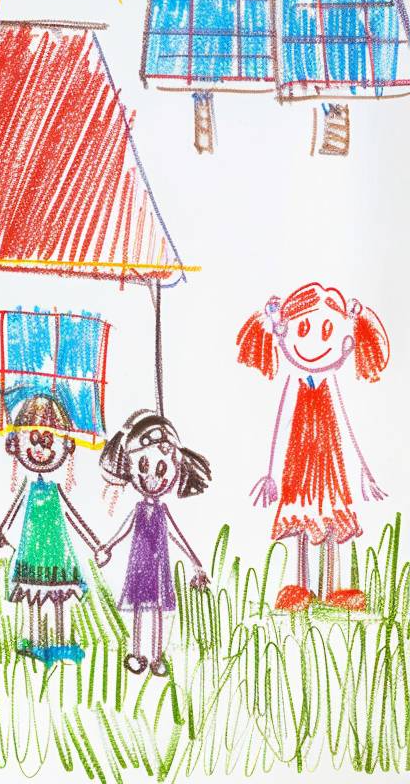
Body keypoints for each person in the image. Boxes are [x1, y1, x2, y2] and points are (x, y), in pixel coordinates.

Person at [237, 282, 388, 612]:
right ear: (284, 333)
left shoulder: (331, 382)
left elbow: (347, 425)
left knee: (330, 522)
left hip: (329, 466)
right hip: (299, 466)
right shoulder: (295, 381)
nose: (315, 342)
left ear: (345, 341)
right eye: (304, 328)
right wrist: (269, 474)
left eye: (327, 330)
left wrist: (364, 470)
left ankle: (331, 588)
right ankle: (301, 587)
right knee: (304, 524)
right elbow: (279, 425)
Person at [0, 394, 101, 664]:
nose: (40, 450)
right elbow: (14, 511)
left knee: (59, 597)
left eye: (49, 442)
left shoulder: (54, 489)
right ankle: (37, 642)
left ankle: (61, 642)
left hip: (56, 552)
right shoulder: (29, 487)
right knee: (34, 597)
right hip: (32, 553)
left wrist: (96, 544)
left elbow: (73, 516)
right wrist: (1, 530)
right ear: (16, 444)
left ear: (65, 446)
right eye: (34, 440)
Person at [96, 410, 211, 675]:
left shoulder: (162, 512)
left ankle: (157, 656)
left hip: (158, 568)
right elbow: (124, 530)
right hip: (139, 566)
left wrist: (196, 564)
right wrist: (107, 546)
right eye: (144, 467)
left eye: (161, 470)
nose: (152, 478)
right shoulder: (139, 509)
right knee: (138, 609)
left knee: (157, 610)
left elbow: (176, 535)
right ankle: (137, 653)